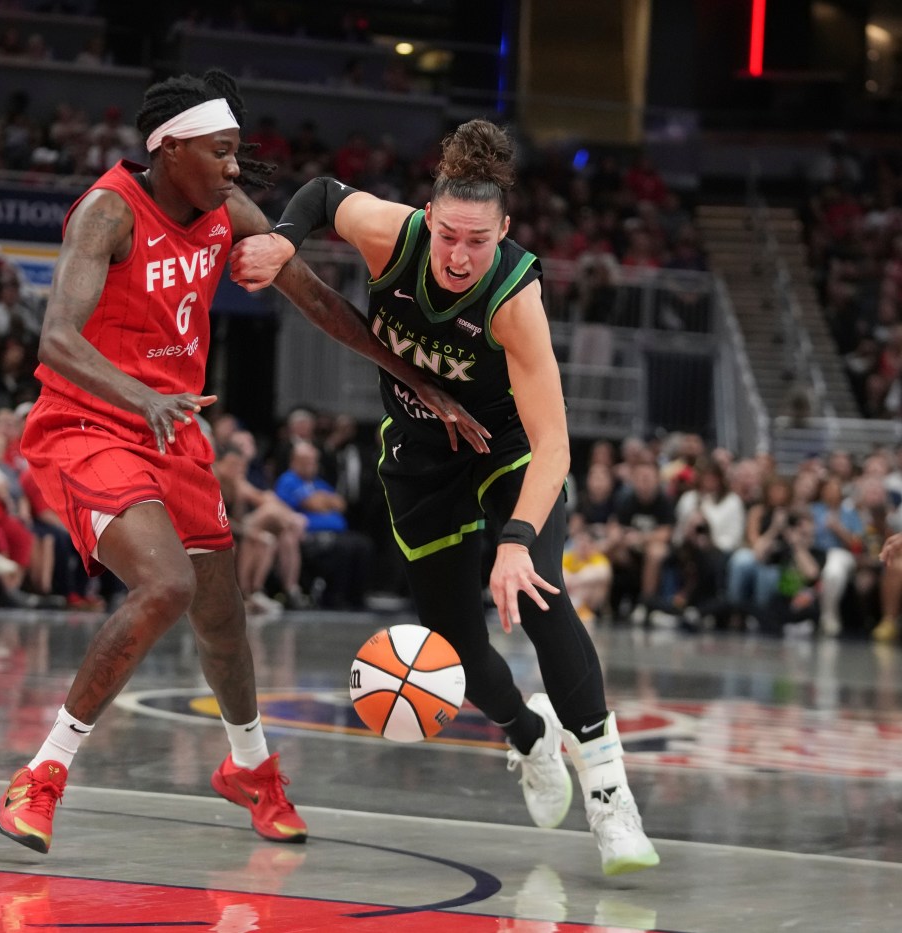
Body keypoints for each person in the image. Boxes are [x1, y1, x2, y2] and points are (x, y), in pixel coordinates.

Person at [0, 70, 477, 856]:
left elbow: (316, 298)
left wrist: (415, 379)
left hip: (173, 430)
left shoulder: (228, 212)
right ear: (171, 149)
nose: (232, 166)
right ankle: (41, 774)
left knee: (221, 614)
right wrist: (142, 396)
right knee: (167, 584)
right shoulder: (110, 210)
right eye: (219, 151)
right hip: (90, 421)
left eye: (234, 152)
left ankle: (250, 767)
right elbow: (56, 340)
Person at [229, 118, 659, 875]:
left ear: (505, 233)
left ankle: (609, 794)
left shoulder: (513, 299)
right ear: (428, 218)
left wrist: (517, 541)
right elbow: (323, 194)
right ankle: (528, 734)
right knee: (454, 642)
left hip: (504, 448)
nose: (460, 256)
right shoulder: (391, 236)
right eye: (449, 236)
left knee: (541, 595)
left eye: (478, 242)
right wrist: (285, 240)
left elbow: (555, 445)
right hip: (420, 451)